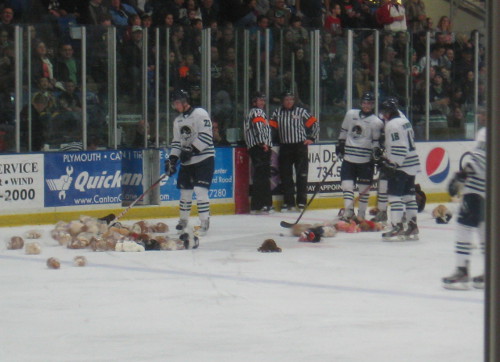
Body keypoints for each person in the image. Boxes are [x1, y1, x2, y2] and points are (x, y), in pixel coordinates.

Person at [442, 110, 486, 290]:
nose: (480, 116)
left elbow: (481, 161)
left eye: (484, 114)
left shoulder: (488, 132)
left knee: (463, 227)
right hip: (486, 189)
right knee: (484, 230)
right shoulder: (484, 132)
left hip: (477, 189)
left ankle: (462, 270)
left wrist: (462, 176)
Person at [164, 89, 215, 236]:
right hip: (188, 162)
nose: (175, 106)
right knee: (185, 192)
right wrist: (172, 159)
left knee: (200, 191)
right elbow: (176, 142)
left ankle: (204, 222)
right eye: (174, 104)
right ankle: (183, 221)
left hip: (204, 159)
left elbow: (207, 136)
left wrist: (192, 150)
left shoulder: (200, 114)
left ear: (185, 102)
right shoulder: (178, 121)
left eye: (177, 103)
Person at [336, 91, 384, 221]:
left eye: (369, 103)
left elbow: (375, 142)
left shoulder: (376, 122)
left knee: (363, 190)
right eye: (364, 102)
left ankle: (362, 214)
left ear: (373, 104)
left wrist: (376, 156)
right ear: (360, 103)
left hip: (365, 161)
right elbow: (344, 131)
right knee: (347, 186)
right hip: (349, 158)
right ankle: (348, 212)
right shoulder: (351, 114)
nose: (366, 105)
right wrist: (340, 144)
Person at [378, 100, 421, 241]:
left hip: (402, 165)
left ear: (387, 112)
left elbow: (399, 146)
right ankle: (412, 225)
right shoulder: (404, 121)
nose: (382, 115)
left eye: (383, 112)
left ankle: (397, 226)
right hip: (412, 163)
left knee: (394, 196)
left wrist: (392, 164)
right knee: (409, 196)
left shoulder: (392, 125)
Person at [270, 91, 319, 212]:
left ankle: (301, 202)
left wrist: (312, 138)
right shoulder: (277, 113)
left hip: (300, 147)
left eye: (291, 99)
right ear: (283, 101)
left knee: (301, 175)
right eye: (287, 99)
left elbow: (314, 123)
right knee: (286, 176)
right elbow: (271, 128)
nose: (289, 102)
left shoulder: (301, 112)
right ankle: (288, 202)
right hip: (285, 146)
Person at [244, 91, 273, 214]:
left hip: (256, 147)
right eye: (260, 100)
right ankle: (264, 204)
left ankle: (257, 205)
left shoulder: (252, 112)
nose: (262, 103)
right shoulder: (257, 112)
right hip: (260, 147)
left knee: (259, 176)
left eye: (263, 100)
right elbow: (258, 128)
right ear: (254, 102)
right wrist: (262, 143)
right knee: (263, 176)